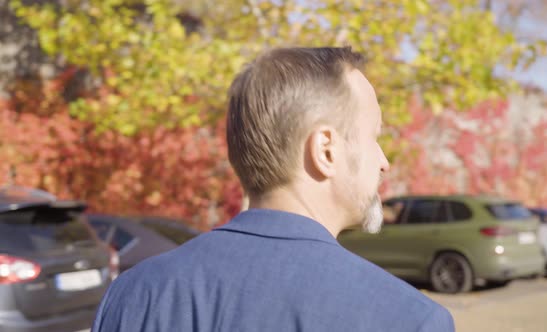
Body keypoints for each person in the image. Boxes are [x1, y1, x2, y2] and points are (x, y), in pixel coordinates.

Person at [92, 47, 455, 332]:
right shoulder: (406, 319)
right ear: (325, 150)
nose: (384, 160)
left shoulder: (131, 295)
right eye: (374, 137)